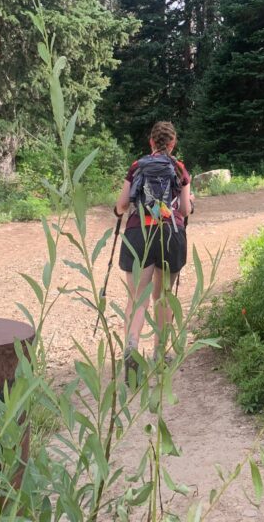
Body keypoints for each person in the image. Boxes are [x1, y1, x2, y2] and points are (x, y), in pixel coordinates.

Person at [113, 121, 193, 369]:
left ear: (151, 142)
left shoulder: (137, 166)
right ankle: (160, 353)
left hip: (139, 233)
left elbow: (123, 204)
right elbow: (187, 209)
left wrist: (116, 212)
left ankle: (131, 346)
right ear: (173, 143)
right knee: (164, 296)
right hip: (170, 233)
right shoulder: (179, 168)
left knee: (138, 297)